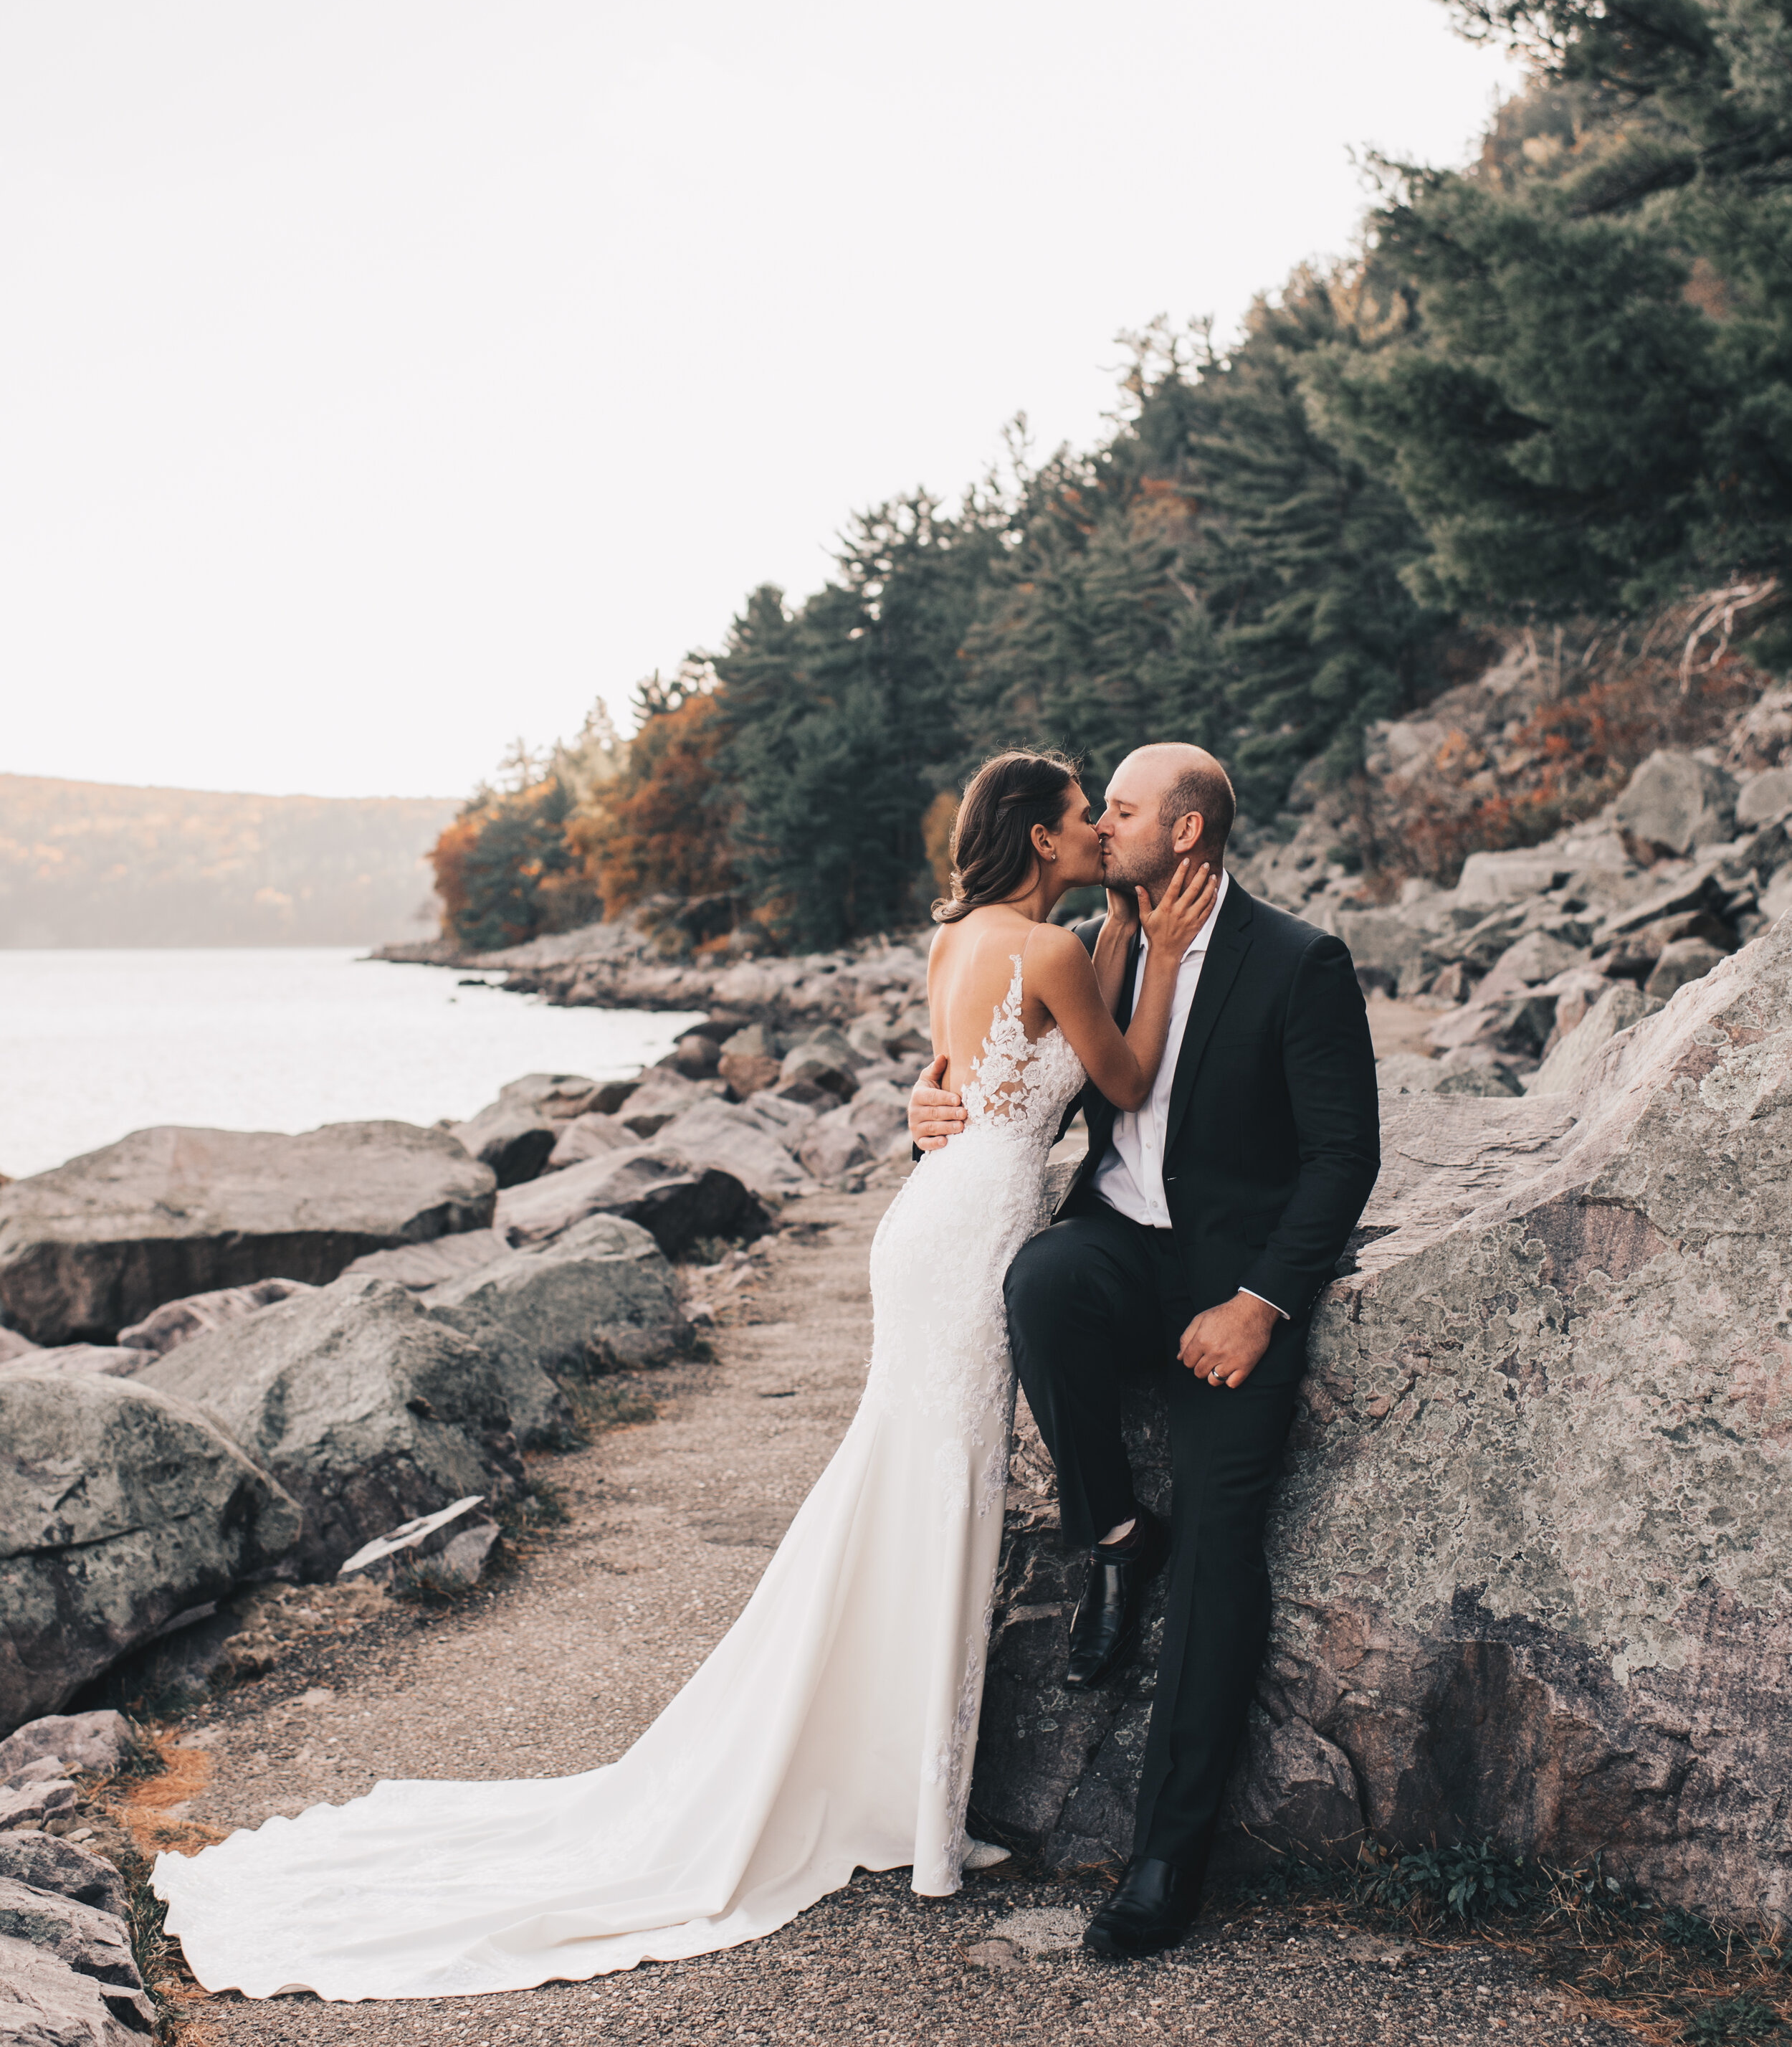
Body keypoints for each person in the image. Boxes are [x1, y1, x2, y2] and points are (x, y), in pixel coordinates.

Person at [151, 749, 1216, 2003]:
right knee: (940, 1498)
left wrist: (1117, 933)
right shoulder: (1047, 951)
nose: (1100, 827)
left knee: (912, 1498)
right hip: (970, 1237)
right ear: (1041, 836)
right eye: (1085, 814)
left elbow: (967, 1075)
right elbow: (1128, 1078)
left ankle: (908, 1794)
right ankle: (918, 1814)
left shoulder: (966, 943)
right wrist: (1148, 939)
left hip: (938, 1223)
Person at [907, 740, 1380, 1960]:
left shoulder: (1299, 962)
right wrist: (932, 1101)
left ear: (1184, 834)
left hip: (1230, 1280)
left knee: (1227, 1552)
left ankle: (1168, 1855)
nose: (1099, 826)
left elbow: (1343, 1157)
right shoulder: (1097, 942)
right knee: (1040, 1281)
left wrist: (1264, 1301)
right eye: (1094, 810)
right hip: (1117, 1243)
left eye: (1118, 810)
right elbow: (1012, 1064)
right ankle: (1113, 1532)